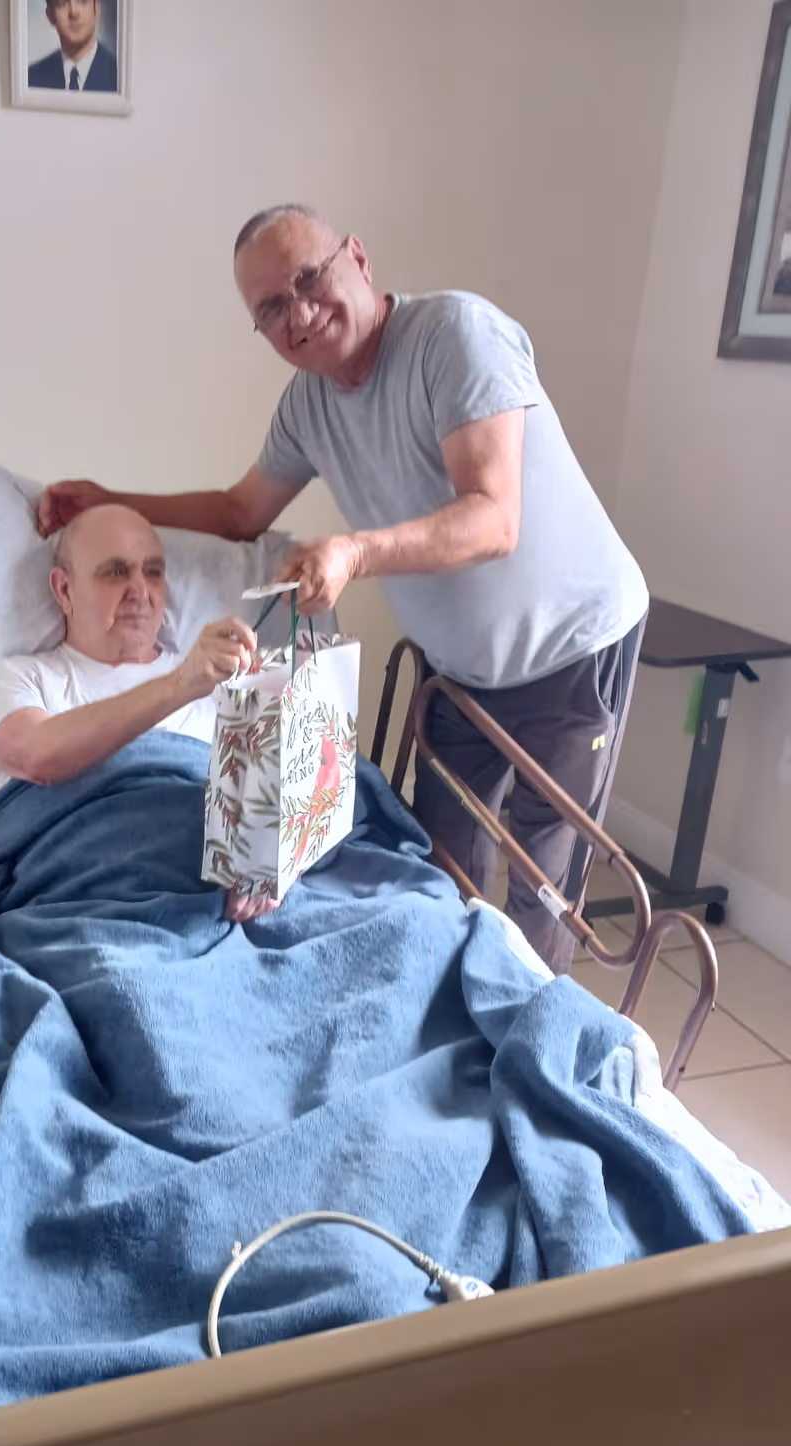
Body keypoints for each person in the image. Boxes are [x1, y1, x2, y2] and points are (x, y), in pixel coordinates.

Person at [37, 204, 649, 974]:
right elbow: (238, 511)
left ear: (356, 257)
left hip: (569, 645)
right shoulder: (309, 406)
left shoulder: (456, 336)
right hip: (458, 671)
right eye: (270, 308)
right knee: (436, 868)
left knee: (541, 885)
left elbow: (494, 519)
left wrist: (354, 553)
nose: (298, 312)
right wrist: (109, 500)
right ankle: (436, 1009)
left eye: (308, 278)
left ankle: (528, 1043)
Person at [0, 503, 270, 918]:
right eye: (115, 572)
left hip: (204, 909)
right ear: (64, 590)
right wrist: (181, 683)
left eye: (153, 572)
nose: (140, 591)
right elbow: (36, 755)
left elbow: (277, 811)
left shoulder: (226, 688)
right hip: (71, 906)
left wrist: (275, 863)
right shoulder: (14, 680)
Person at [28, 0, 118, 92]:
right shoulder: (31, 79)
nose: (74, 12)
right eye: (62, 4)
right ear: (50, 15)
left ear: (97, 9)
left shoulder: (121, 77)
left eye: (82, 2)